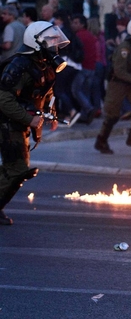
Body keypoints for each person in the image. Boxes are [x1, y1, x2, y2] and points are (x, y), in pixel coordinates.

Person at [0, 21, 70, 225]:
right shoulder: (19, 66)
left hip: (19, 123)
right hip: (7, 123)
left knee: (16, 169)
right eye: (49, 41)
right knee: (17, 169)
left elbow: (46, 92)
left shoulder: (44, 65)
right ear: (36, 42)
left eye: (55, 40)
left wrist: (51, 113)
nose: (54, 45)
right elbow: (4, 99)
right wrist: (30, 119)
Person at [94, 18, 131, 154]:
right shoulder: (124, 48)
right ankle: (101, 141)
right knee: (112, 115)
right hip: (118, 84)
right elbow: (119, 71)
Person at [69, 15, 98, 125]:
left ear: (82, 24)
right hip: (91, 67)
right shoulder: (90, 35)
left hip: (83, 67)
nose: (73, 25)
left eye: (76, 23)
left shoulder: (78, 36)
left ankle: (88, 108)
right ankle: (85, 115)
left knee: (76, 90)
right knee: (85, 92)